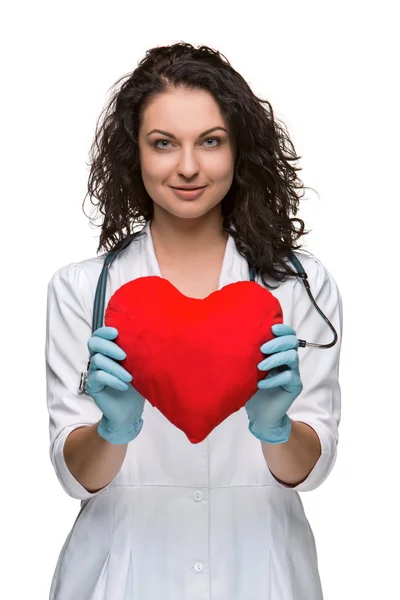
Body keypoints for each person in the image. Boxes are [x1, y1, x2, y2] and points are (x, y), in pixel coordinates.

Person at [45, 42, 343, 600]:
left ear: (239, 151)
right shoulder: (81, 289)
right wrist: (113, 431)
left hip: (261, 570)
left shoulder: (300, 285)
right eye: (163, 144)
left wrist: (277, 429)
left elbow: (312, 466)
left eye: (210, 141)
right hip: (123, 569)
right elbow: (74, 474)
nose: (187, 166)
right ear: (134, 155)